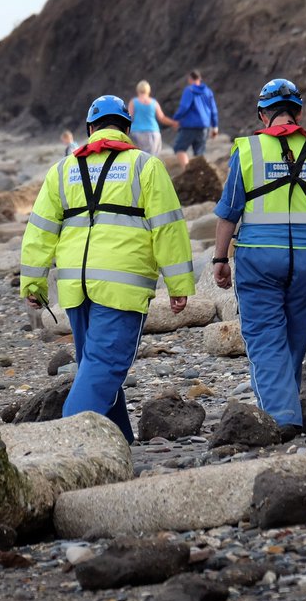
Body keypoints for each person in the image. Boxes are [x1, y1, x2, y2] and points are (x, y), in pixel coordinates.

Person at [20, 95, 195, 441]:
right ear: (127, 129)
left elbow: (39, 231)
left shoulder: (63, 169)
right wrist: (179, 285)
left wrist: (33, 284)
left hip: (75, 289)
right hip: (121, 288)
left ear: (89, 129)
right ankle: (68, 441)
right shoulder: (146, 166)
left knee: (95, 366)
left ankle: (120, 441)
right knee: (103, 368)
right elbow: (168, 229)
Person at [211, 79, 306, 440]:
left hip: (258, 257)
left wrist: (219, 258)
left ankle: (281, 416)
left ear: (262, 115)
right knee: (294, 337)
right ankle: (285, 408)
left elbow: (229, 212)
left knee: (263, 337)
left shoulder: (248, 151)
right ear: (299, 113)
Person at [171, 69, 220, 168]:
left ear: (190, 79)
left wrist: (175, 119)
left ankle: (188, 172)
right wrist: (215, 127)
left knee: (179, 148)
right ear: (200, 78)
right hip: (204, 127)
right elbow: (214, 110)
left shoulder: (189, 90)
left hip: (190, 126)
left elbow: (184, 107)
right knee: (199, 153)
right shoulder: (208, 92)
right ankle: (200, 175)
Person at [126, 80, 177, 155]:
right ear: (148, 90)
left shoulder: (133, 102)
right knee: (153, 158)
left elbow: (129, 117)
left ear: (138, 90)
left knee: (138, 158)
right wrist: (174, 123)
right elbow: (162, 118)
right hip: (153, 132)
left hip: (136, 133)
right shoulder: (154, 102)